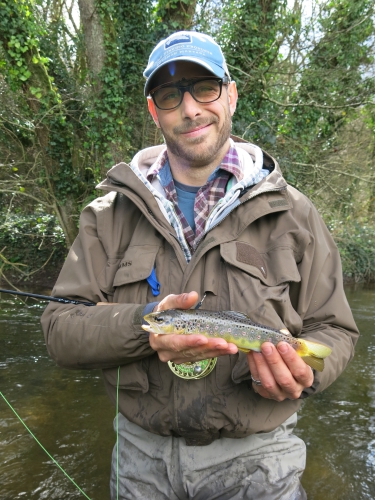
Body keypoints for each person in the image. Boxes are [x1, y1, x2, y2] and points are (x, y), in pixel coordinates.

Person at [41, 31, 359, 500]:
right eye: (170, 95)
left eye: (204, 88)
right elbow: (59, 329)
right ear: (154, 112)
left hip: (260, 462)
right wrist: (142, 326)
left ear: (230, 94)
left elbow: (335, 329)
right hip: (139, 460)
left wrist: (306, 375)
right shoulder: (107, 215)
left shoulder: (294, 213)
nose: (190, 109)